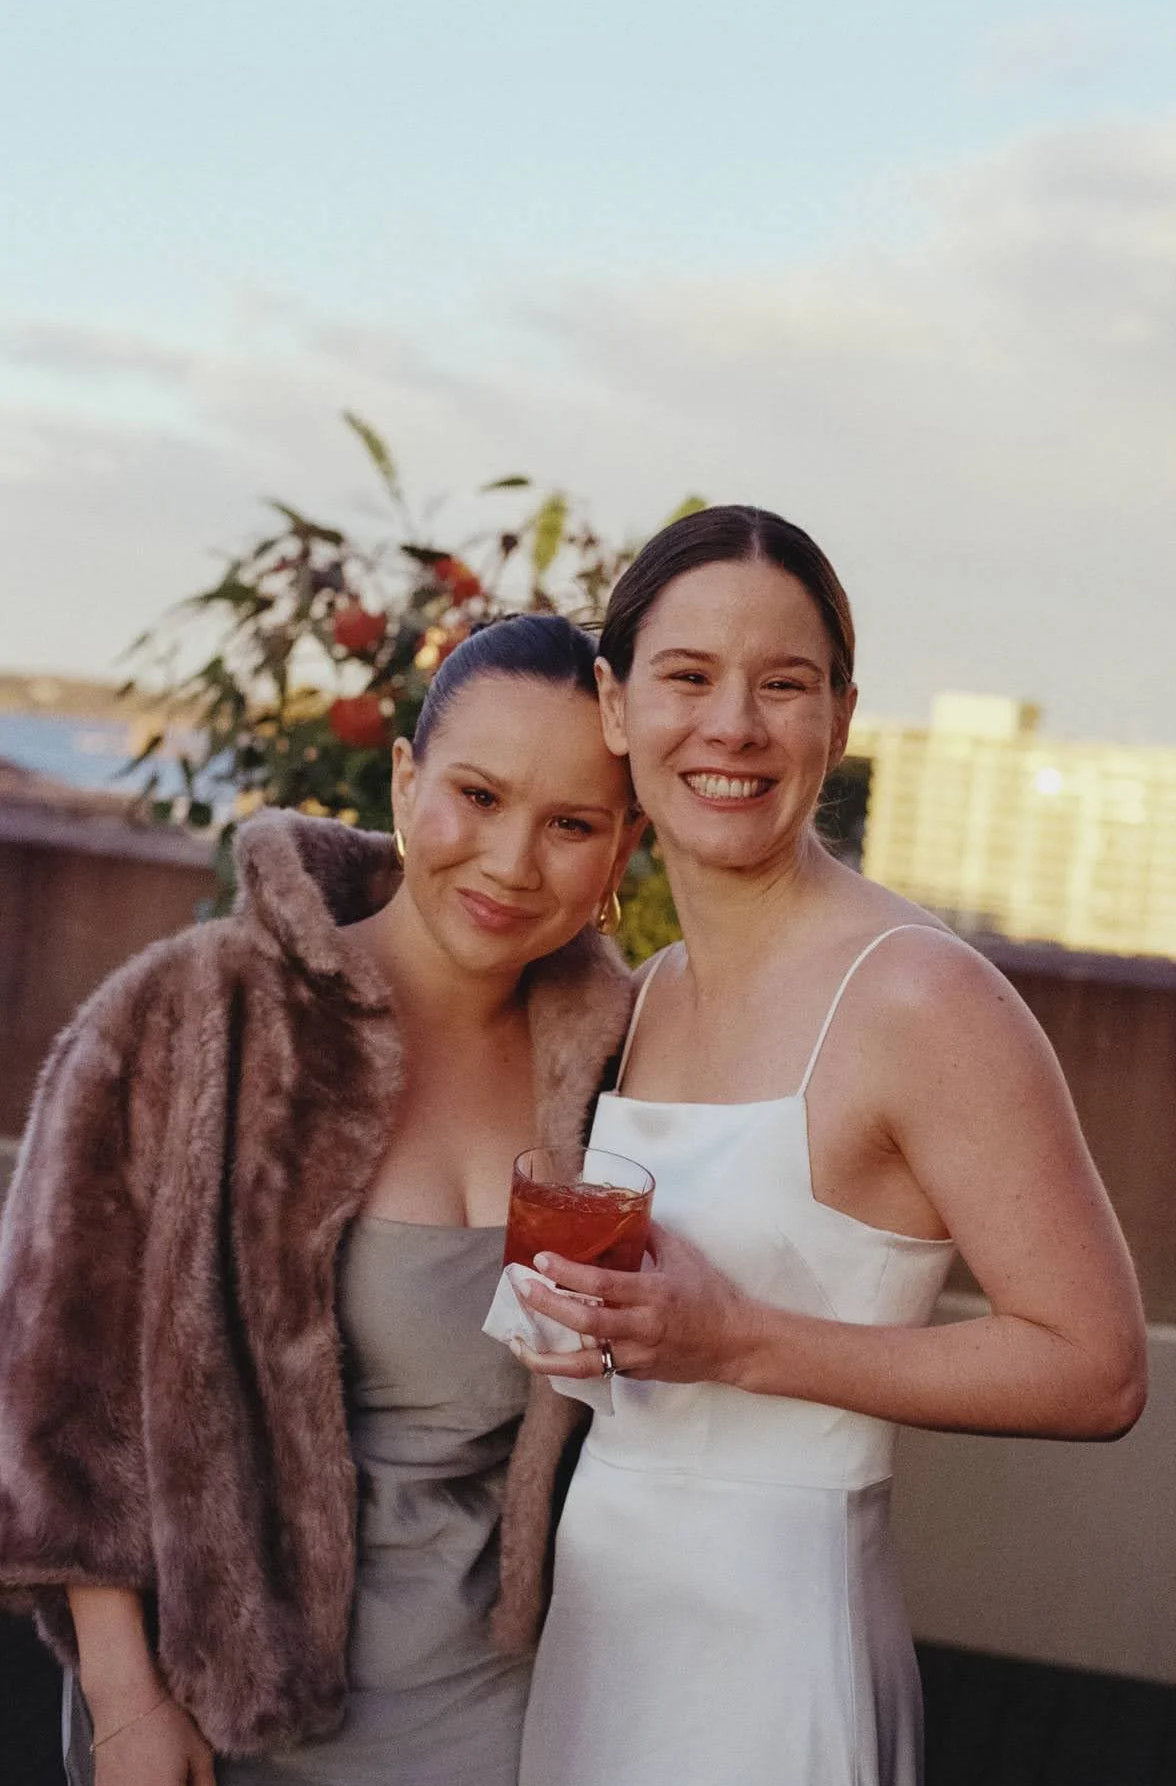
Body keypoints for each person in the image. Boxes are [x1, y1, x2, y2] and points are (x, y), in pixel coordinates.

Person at [513, 507, 1148, 1786]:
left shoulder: (920, 996)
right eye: (687, 676)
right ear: (615, 703)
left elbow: (1096, 1371)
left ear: (840, 718)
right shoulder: (649, 993)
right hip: (597, 1613)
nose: (733, 726)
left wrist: (738, 1341)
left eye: (784, 685)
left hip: (770, 1645)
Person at [0, 615, 640, 1786]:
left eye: (570, 825)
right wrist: (123, 1693)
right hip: (213, 1716)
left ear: (623, 848)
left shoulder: (618, 1080)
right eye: (478, 795)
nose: (509, 861)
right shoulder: (194, 1018)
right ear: (404, 778)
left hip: (501, 1720)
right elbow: (53, 1383)